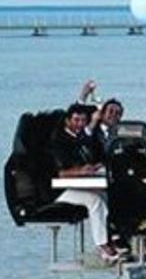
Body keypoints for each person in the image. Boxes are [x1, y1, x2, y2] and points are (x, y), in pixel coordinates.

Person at [49, 104, 122, 263]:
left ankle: (113, 237)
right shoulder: (59, 141)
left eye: (83, 120)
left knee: (104, 195)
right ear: (68, 121)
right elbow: (58, 173)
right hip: (56, 191)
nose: (80, 124)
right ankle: (102, 246)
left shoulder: (80, 138)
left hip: (75, 184)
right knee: (94, 200)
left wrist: (93, 167)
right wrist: (81, 171)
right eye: (76, 120)